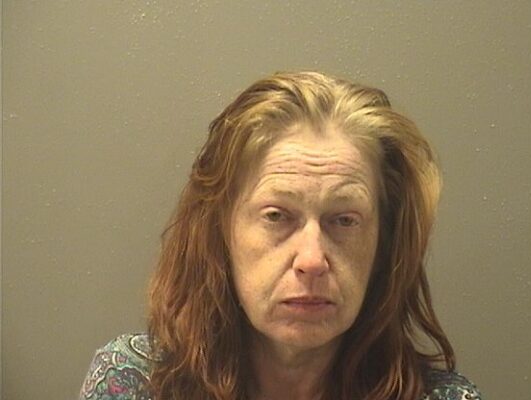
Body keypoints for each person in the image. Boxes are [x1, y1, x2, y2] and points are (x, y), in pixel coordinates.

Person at [79, 71, 483, 400]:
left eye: (344, 220)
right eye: (276, 216)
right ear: (220, 233)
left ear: (384, 244)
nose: (311, 260)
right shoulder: (135, 384)